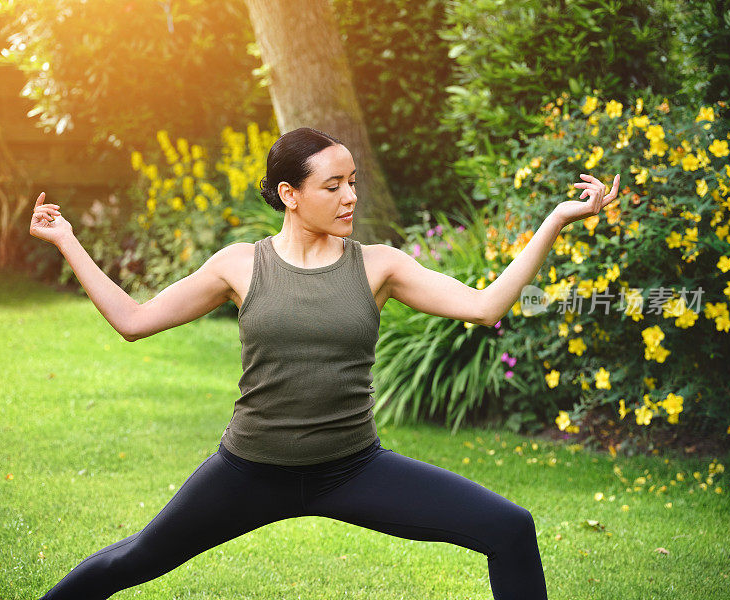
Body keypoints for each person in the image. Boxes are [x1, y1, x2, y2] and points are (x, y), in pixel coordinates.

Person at [30, 126, 619, 600]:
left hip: (352, 469)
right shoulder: (240, 265)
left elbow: (486, 304)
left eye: (353, 183)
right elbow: (134, 321)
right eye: (333, 186)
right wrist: (67, 241)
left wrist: (556, 221)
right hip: (248, 471)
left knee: (510, 529)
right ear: (290, 193)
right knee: (132, 560)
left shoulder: (378, 266)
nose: (351, 197)